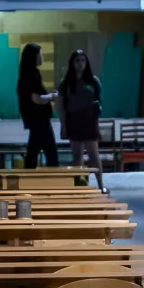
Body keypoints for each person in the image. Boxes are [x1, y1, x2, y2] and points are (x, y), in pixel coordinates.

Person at [58, 49, 105, 192]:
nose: (80, 64)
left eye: (83, 60)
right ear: (72, 63)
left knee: (93, 155)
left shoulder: (93, 81)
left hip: (90, 121)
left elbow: (98, 105)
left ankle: (101, 186)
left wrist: (97, 125)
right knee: (77, 156)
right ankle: (79, 188)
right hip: (74, 120)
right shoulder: (65, 83)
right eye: (77, 61)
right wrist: (63, 126)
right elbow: (61, 107)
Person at [17, 43, 59, 169]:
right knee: (51, 151)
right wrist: (52, 97)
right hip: (39, 118)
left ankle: (28, 178)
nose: (42, 56)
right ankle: (55, 179)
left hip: (34, 119)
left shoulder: (26, 73)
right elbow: (37, 98)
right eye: (39, 54)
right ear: (33, 57)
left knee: (33, 151)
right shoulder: (31, 75)